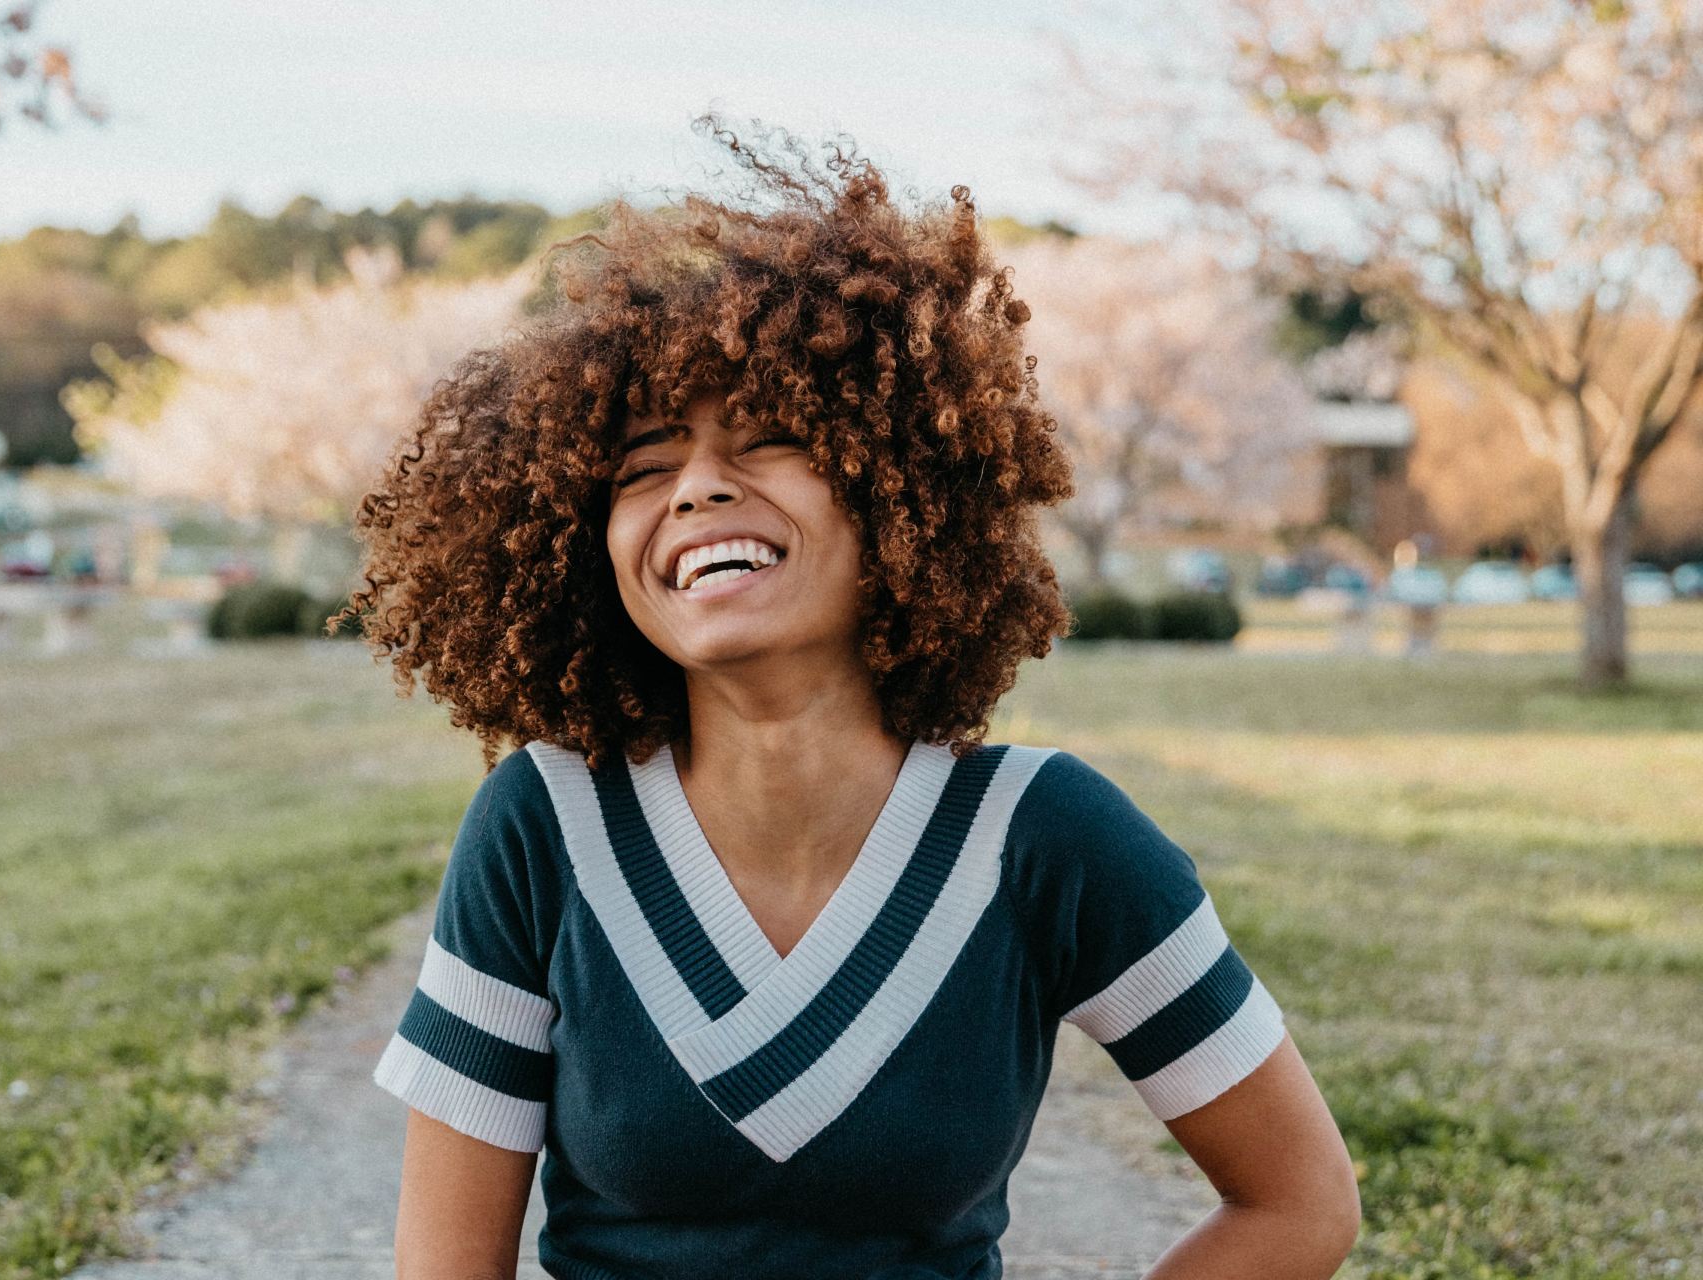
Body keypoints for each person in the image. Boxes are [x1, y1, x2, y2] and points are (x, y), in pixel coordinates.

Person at [344, 114, 1360, 1280]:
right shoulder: (544, 823)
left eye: (768, 438)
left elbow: (1300, 1200)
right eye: (642, 467)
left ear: (900, 487)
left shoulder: (1044, 834)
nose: (698, 489)